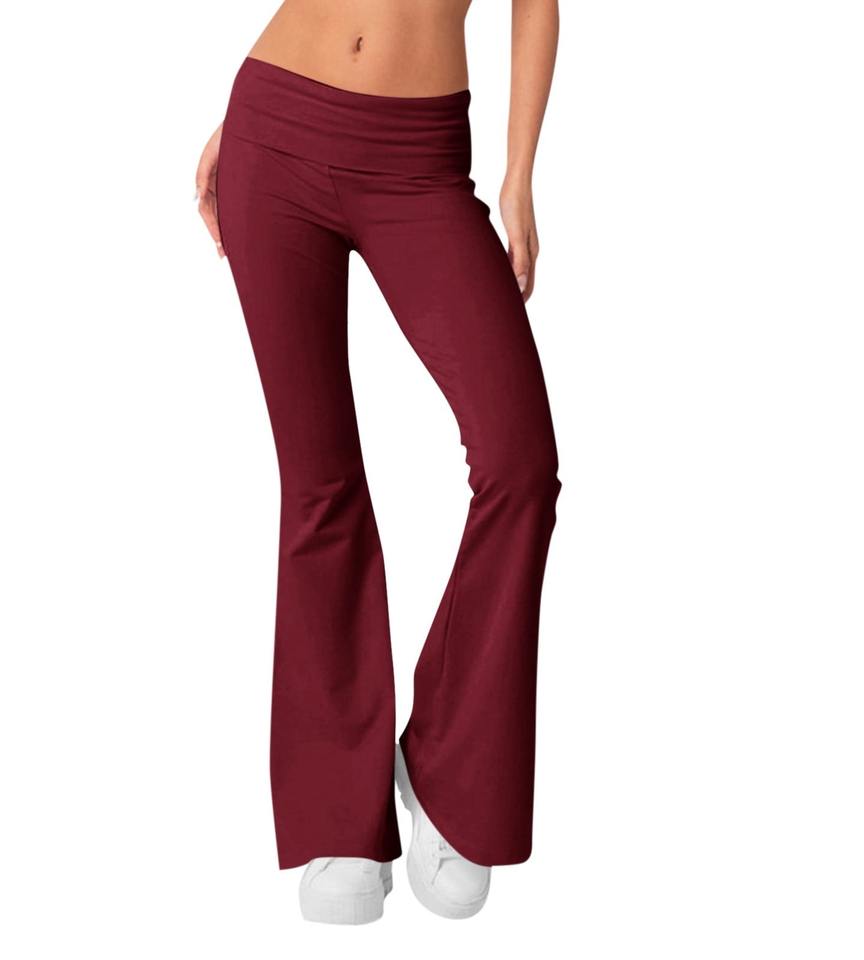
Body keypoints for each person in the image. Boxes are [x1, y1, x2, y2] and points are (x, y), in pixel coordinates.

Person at [195, 0, 561, 924]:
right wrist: (239, 123)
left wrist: (519, 174)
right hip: (275, 129)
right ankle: (338, 815)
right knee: (319, 483)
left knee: (519, 462)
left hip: (418, 157)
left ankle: (448, 774)